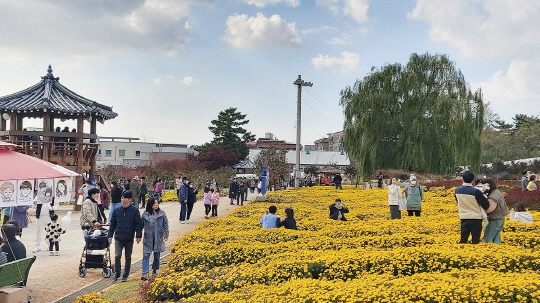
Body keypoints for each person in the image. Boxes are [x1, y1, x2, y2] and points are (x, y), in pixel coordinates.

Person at [108, 191, 143, 282]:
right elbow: (113, 224)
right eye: (122, 198)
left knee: (128, 257)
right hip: (118, 237)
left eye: (125, 198)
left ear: (130, 199)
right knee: (117, 256)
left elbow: (138, 224)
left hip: (129, 237)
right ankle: (117, 274)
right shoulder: (117, 210)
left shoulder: (134, 210)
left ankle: (125, 275)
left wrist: (138, 235)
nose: (123, 200)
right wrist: (110, 235)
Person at [455, 171, 491, 244]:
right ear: (473, 180)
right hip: (476, 218)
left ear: (462, 179)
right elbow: (486, 205)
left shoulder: (457, 190)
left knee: (463, 240)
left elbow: (458, 201)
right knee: (475, 241)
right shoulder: (476, 192)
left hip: (464, 217)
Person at [141, 198, 169, 280]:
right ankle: (144, 273)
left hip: (158, 237)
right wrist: (138, 234)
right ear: (150, 204)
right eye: (154, 203)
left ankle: (154, 270)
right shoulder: (145, 215)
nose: (156, 205)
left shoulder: (162, 214)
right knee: (146, 254)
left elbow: (165, 224)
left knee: (157, 255)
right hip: (148, 237)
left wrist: (166, 234)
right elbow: (140, 225)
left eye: (157, 203)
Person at [479, 179, 509, 244]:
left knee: (487, 240)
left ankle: (488, 253)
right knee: (496, 240)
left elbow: (489, 209)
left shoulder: (492, 197)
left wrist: (480, 211)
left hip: (495, 219)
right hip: (500, 218)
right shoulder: (496, 192)